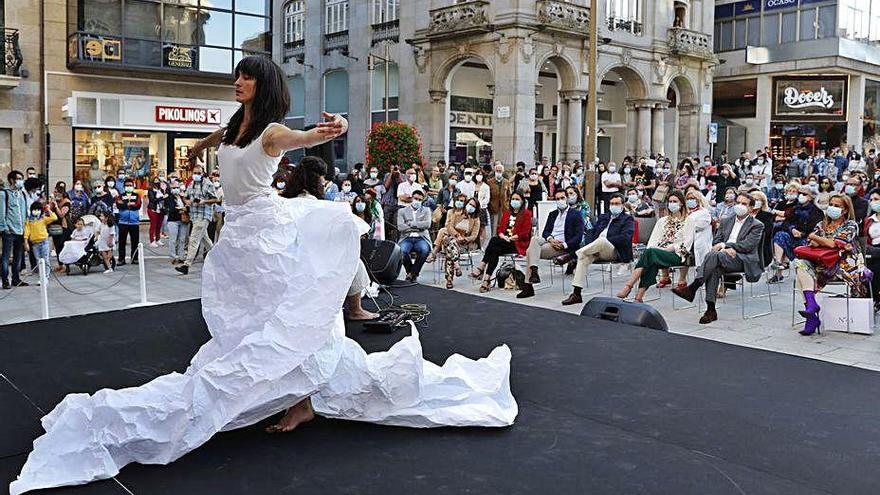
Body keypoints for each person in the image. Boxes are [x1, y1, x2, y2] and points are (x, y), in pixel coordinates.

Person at [11, 56, 516, 495]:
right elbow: (221, 138)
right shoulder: (237, 124)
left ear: (263, 86)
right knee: (255, 322)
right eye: (236, 77)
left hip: (266, 234)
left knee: (283, 320)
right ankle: (299, 397)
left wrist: (328, 131)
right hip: (241, 235)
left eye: (246, 79)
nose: (237, 83)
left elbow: (299, 137)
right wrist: (194, 148)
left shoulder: (272, 131)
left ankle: (302, 400)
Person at [672, 193, 765, 324]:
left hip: (742, 259)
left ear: (750, 208)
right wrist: (724, 248)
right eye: (738, 202)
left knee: (714, 256)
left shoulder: (757, 225)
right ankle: (710, 310)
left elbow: (748, 245)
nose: (739, 206)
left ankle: (693, 288)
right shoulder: (727, 220)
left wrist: (725, 245)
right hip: (723, 256)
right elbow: (716, 240)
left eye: (744, 204)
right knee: (714, 266)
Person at [794, 193, 867, 336]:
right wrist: (817, 240)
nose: (832, 208)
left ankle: (812, 315)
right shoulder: (822, 224)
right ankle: (811, 307)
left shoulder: (851, 225)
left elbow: (834, 243)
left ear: (845, 210)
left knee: (801, 277)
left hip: (842, 265)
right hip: (820, 263)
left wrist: (815, 237)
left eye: (837, 206)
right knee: (800, 264)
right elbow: (813, 244)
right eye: (831, 205)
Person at [616, 190, 691, 302]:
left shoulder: (689, 221)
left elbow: (687, 244)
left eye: (675, 201)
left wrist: (669, 248)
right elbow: (653, 240)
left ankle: (629, 286)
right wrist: (657, 249)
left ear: (681, 204)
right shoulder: (662, 221)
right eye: (670, 201)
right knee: (651, 257)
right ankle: (638, 297)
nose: (672, 203)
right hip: (658, 253)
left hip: (678, 255)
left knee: (651, 254)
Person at [562, 193, 634, 305]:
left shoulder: (627, 219)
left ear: (622, 205)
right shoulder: (604, 217)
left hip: (614, 251)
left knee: (602, 240)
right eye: (612, 203)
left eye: (617, 203)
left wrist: (606, 239)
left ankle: (573, 255)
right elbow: (592, 232)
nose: (613, 205)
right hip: (596, 249)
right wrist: (592, 242)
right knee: (584, 258)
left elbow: (625, 238)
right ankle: (576, 293)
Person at [517, 190, 585, 299]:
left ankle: (528, 285)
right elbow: (545, 232)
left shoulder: (575, 214)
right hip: (550, 242)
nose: (560, 201)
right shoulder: (553, 214)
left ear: (567, 198)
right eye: (557, 199)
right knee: (534, 239)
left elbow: (579, 236)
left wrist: (564, 245)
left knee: (530, 251)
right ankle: (533, 271)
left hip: (562, 245)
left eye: (562, 198)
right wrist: (550, 239)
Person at [472, 192, 532, 293]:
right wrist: (502, 236)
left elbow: (526, 232)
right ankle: (487, 278)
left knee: (494, 241)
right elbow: (500, 229)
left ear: (522, 201)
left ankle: (482, 267)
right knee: (495, 248)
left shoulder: (526, 213)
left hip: (517, 243)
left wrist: (514, 237)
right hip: (503, 242)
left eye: (517, 199)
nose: (515, 201)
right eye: (513, 199)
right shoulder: (507, 213)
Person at [769, 185, 823, 283]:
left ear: (811, 196)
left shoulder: (816, 211)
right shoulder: (795, 208)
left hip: (807, 238)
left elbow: (815, 228)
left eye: (804, 194)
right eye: (800, 193)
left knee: (806, 244)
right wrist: (792, 229)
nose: (801, 196)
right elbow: (785, 223)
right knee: (780, 235)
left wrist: (801, 233)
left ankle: (807, 274)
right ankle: (778, 268)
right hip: (793, 235)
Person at [427, 195, 480, 289]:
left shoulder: (476, 219)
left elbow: (474, 236)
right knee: (449, 241)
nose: (471, 206)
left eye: (473, 206)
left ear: (476, 208)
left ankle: (449, 278)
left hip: (463, 243)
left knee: (446, 239)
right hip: (452, 238)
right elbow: (450, 227)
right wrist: (457, 236)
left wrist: (464, 239)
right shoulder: (457, 213)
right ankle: (456, 265)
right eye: (469, 204)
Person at [175, 164, 218, 275]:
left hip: (204, 215)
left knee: (193, 239)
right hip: (194, 215)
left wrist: (204, 201)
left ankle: (187, 265)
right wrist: (186, 201)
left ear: (203, 173)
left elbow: (215, 199)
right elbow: (186, 196)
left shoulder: (208, 184)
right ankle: (219, 258)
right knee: (205, 239)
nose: (196, 175)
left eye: (199, 173)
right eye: (195, 173)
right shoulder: (191, 184)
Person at [0, 170, 29, 289]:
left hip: (20, 230)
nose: (21, 181)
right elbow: (1, 213)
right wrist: (4, 228)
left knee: (18, 256)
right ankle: (5, 279)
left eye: (22, 178)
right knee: (6, 256)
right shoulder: (4, 194)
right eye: (18, 178)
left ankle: (16, 279)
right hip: (9, 231)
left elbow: (23, 212)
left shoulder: (22, 194)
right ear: (12, 180)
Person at [397, 189, 432, 282]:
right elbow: (400, 227)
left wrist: (411, 224)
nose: (417, 201)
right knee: (402, 251)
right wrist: (418, 226)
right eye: (416, 198)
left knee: (424, 250)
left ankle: (412, 274)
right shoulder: (402, 211)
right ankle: (411, 272)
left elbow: (427, 224)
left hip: (421, 238)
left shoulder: (426, 210)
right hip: (406, 237)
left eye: (420, 200)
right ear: (412, 198)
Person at [23, 201, 57, 279]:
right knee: (38, 261)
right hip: (35, 244)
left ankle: (46, 276)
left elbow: (54, 217)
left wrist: (49, 210)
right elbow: (27, 231)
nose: (36, 211)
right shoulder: (29, 220)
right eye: (34, 210)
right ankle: (42, 277)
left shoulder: (43, 218)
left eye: (38, 210)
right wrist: (25, 241)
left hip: (44, 242)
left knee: (46, 260)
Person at [115, 178, 142, 266]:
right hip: (123, 222)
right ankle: (121, 259)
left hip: (134, 222)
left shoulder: (137, 196)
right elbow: (119, 205)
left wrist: (126, 204)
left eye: (130, 185)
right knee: (122, 242)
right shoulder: (121, 196)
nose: (128, 187)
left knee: (135, 241)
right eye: (127, 186)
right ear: (124, 187)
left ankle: (135, 258)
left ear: (133, 186)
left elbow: (137, 205)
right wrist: (128, 204)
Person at [863, 190, 880, 309]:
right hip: (872, 252)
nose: (873, 202)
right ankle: (872, 299)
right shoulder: (869, 220)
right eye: (871, 200)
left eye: (876, 199)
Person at [165, 183, 189, 265]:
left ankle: (181, 256)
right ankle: (173, 257)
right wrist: (182, 209)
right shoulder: (169, 198)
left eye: (177, 187)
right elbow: (171, 208)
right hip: (173, 220)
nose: (176, 189)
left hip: (183, 220)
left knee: (182, 240)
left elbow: (188, 206)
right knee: (173, 239)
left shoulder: (183, 197)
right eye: (174, 187)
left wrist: (182, 209)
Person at [487, 162, 510, 236]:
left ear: (503, 172)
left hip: (504, 207)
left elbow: (509, 194)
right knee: (494, 226)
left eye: (500, 171)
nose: (498, 173)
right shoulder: (490, 182)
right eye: (497, 171)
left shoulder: (506, 182)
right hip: (494, 207)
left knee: (503, 225)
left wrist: (507, 204)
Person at [147, 178, 167, 247]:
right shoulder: (150, 190)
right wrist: (162, 197)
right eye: (155, 181)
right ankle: (152, 241)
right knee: (153, 225)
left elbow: (166, 197)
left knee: (159, 225)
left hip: (161, 210)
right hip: (153, 209)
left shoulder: (161, 190)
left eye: (158, 181)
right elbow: (153, 200)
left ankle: (158, 239)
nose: (157, 182)